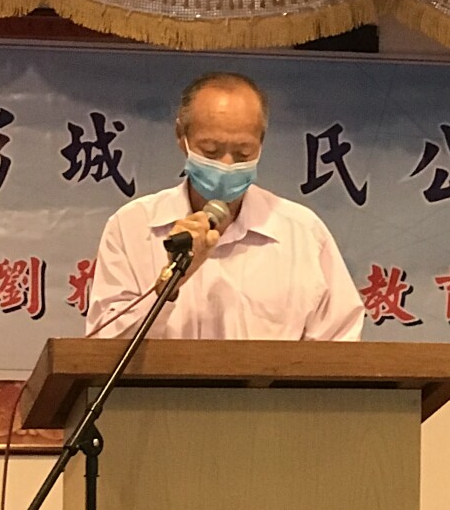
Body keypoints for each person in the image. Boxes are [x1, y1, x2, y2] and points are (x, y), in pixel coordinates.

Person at [86, 72, 365, 340]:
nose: (227, 165)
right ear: (181, 136)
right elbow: (103, 345)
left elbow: (340, 344)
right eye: (211, 151)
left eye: (244, 152)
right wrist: (169, 286)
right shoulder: (132, 226)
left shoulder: (303, 232)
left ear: (261, 143)